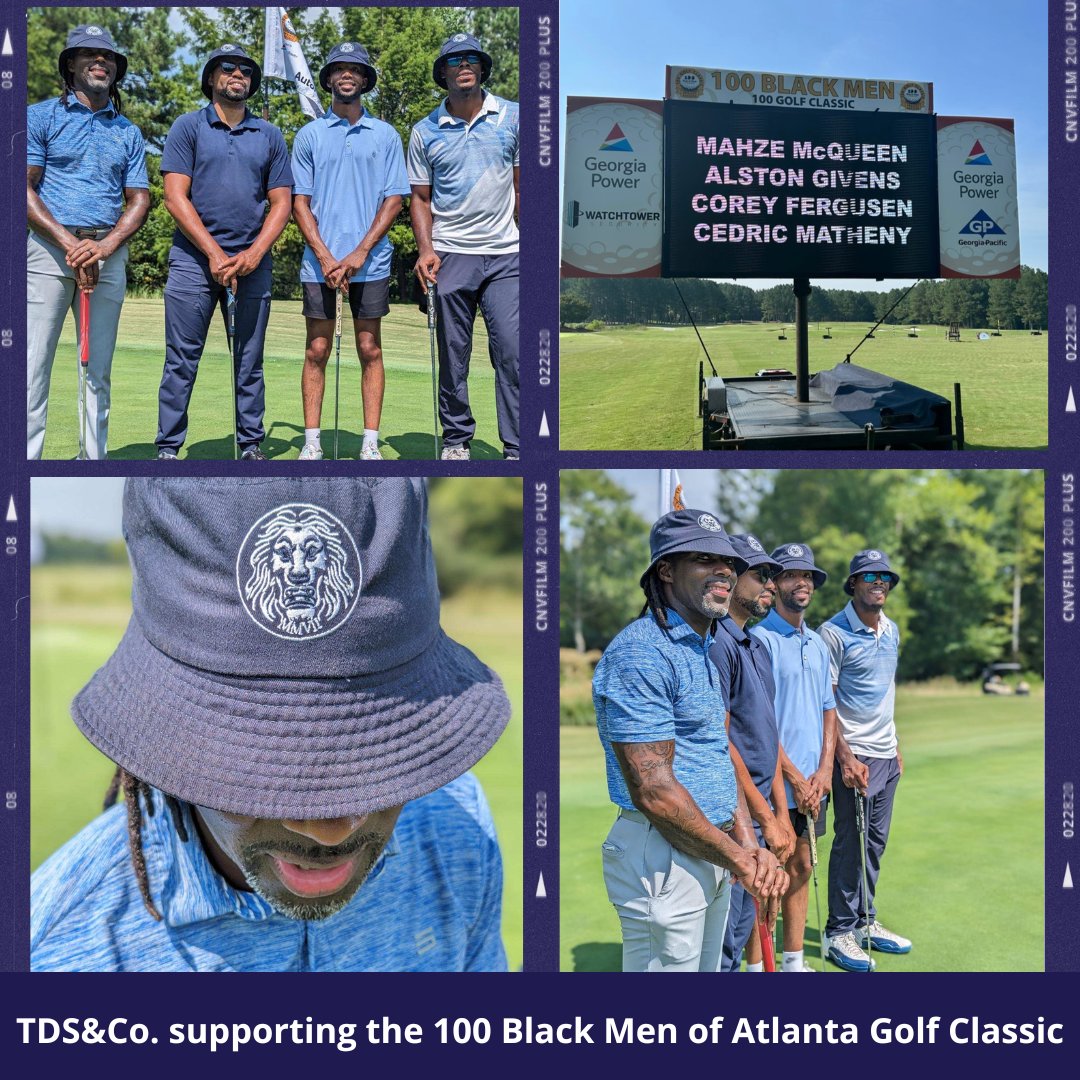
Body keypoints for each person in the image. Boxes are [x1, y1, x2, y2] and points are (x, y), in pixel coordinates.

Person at [31, 477, 512, 971]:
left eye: (376, 754)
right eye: (257, 760)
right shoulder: (52, 955)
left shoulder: (459, 831)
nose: (330, 830)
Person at [592, 509, 788, 972]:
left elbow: (716, 758)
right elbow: (655, 793)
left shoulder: (699, 647)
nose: (724, 570)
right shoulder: (642, 652)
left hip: (714, 846)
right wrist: (743, 860)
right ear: (665, 571)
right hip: (662, 851)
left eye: (728, 562)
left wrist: (749, 845)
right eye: (704, 559)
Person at [155, 45, 293, 461]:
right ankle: (168, 448)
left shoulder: (268, 134)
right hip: (193, 263)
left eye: (246, 70)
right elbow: (175, 197)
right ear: (212, 78)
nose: (238, 75)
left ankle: (250, 445)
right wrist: (214, 253)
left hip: (252, 264)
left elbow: (282, 202)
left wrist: (252, 254)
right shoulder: (188, 127)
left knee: (250, 361)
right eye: (228, 68)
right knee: (181, 360)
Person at [27, 25, 150, 460]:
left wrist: (103, 247)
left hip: (107, 256)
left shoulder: (127, 131)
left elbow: (139, 199)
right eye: (89, 55)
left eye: (109, 57)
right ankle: (26, 468)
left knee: (97, 371)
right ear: (70, 65)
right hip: (46, 252)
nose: (101, 62)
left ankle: (91, 463)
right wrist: (69, 242)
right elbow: (23, 188)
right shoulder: (39, 116)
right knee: (31, 370)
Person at [291, 42, 411, 461]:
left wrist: (359, 252)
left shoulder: (386, 135)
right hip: (318, 262)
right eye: (338, 69)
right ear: (327, 79)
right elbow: (299, 202)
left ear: (364, 80)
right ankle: (311, 443)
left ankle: (370, 444)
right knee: (317, 350)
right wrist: (325, 256)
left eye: (354, 69)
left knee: (369, 347)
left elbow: (394, 199)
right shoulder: (309, 135)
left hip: (371, 261)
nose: (346, 75)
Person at [408, 33, 519, 461]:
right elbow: (420, 198)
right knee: (453, 358)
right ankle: (456, 440)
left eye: (472, 58)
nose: (464, 64)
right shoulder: (425, 130)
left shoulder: (513, 117)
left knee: (512, 351)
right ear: (444, 73)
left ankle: (517, 445)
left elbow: (522, 186)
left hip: (507, 254)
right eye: (455, 60)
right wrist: (425, 249)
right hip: (450, 251)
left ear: (482, 68)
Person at [818, 549, 911, 972]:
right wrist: (846, 757)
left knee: (874, 844)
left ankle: (865, 922)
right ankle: (838, 932)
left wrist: (895, 747)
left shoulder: (890, 630)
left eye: (886, 577)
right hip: (851, 757)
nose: (879, 582)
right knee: (850, 845)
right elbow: (827, 704)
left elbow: (885, 696)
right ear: (853, 583)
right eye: (870, 575)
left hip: (885, 754)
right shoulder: (832, 634)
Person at [710, 534, 796, 972]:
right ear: (731, 577)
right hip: (735, 816)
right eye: (760, 574)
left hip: (763, 812)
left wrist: (782, 815)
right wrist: (764, 818)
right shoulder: (718, 642)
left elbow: (768, 738)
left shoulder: (757, 646)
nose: (771, 585)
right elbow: (722, 742)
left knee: (745, 925)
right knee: (724, 938)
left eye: (772, 576)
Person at [750, 543, 837, 973]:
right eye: (791, 574)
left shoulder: (818, 643)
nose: (802, 582)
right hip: (774, 786)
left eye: (808, 576)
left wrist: (823, 770)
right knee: (766, 878)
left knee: (802, 866)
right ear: (775, 583)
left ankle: (793, 963)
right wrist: (796, 778)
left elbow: (828, 710)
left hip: (812, 787)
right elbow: (760, 723)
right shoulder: (759, 640)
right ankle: (755, 968)